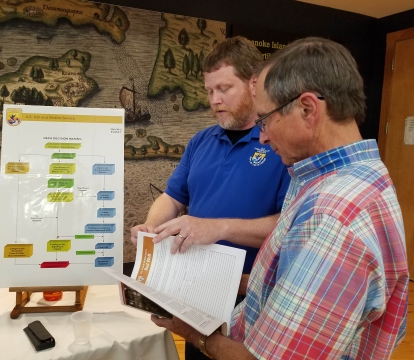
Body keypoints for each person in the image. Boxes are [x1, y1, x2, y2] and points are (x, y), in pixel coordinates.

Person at [150, 37, 409, 360]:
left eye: (266, 119)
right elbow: (285, 282)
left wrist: (191, 333)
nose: (263, 135)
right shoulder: (354, 178)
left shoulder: (332, 215)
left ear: (307, 108)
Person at [130, 36, 291, 360]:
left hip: (252, 294)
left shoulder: (280, 143)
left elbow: (289, 226)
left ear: (253, 84)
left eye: (224, 89)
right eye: (209, 91)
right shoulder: (201, 140)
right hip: (195, 288)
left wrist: (218, 227)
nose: (215, 100)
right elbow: (173, 197)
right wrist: (151, 225)